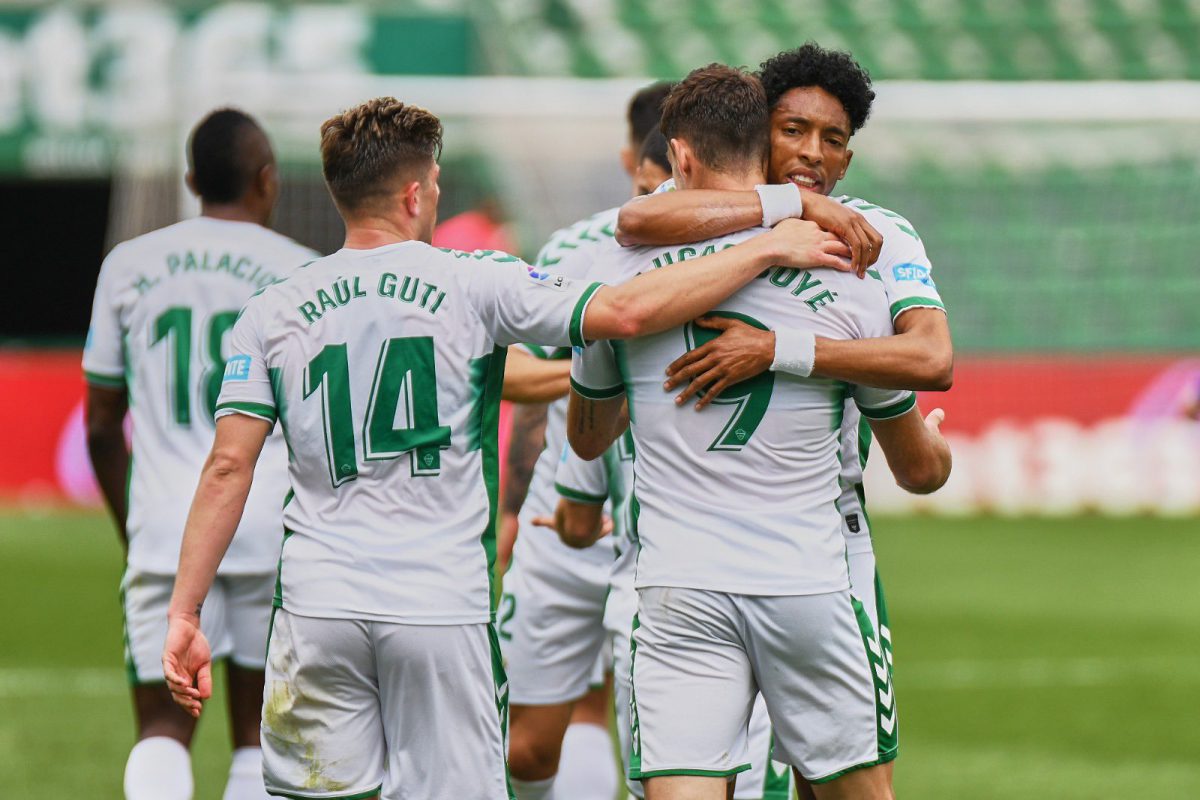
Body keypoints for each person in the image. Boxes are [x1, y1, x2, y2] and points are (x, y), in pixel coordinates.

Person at [160, 95, 856, 800]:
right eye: (432, 182)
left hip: (317, 606)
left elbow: (228, 467)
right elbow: (624, 311)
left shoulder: (272, 310)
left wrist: (186, 614)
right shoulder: (475, 280)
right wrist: (768, 243)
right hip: (438, 607)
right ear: (413, 193)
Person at [569, 65, 951, 800]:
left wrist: (781, 350)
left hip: (791, 545)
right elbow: (638, 220)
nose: (811, 151)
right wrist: (778, 226)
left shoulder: (870, 238)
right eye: (793, 131)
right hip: (801, 570)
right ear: (758, 133)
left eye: (832, 139)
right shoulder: (843, 277)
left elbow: (932, 356)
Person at [84, 108, 316, 800]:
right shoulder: (302, 271)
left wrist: (134, 526)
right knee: (260, 732)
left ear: (191, 180)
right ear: (268, 180)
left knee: (161, 727)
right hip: (268, 525)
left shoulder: (127, 264)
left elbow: (100, 424)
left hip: (164, 527)